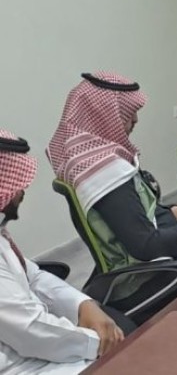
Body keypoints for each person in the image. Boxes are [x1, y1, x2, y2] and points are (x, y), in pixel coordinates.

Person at [47, 72, 177, 322]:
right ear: (102, 114)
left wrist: (169, 210)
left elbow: (133, 211)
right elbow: (147, 247)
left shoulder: (83, 158)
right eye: (128, 112)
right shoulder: (104, 171)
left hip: (158, 261)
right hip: (150, 276)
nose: (135, 119)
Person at [0, 129, 131, 374]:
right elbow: (30, 332)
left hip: (39, 351)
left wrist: (82, 304)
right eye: (16, 183)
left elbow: (32, 276)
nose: (22, 190)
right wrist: (99, 341)